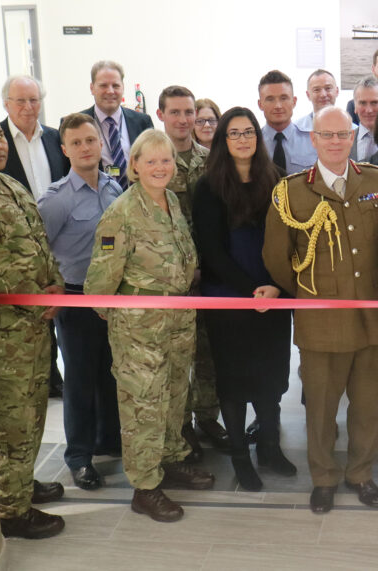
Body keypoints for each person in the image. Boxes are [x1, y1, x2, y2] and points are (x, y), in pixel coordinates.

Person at [263, 106, 378, 514]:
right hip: (321, 319)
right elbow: (277, 256)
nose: (335, 142)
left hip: (370, 316)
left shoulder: (375, 180)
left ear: (353, 137)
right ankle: (324, 477)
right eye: (326, 135)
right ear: (313, 139)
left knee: (369, 406)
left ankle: (360, 473)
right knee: (320, 407)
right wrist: (307, 292)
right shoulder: (292, 190)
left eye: (342, 134)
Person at [85, 129, 214, 523]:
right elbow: (99, 284)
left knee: (175, 393)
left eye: (167, 160)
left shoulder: (172, 201)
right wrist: (126, 316)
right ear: (135, 166)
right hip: (140, 326)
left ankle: (171, 460)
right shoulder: (120, 214)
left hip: (177, 319)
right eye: (152, 161)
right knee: (144, 404)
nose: (161, 168)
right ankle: (144, 487)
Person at [0, 106, 66, 539]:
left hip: (34, 326)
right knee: (10, 420)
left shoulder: (9, 185)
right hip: (2, 332)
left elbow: (39, 244)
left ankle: (19, 484)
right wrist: (42, 297)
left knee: (32, 411)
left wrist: (54, 285)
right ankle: (10, 512)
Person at [192, 107, 296, 492]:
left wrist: (275, 286)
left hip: (272, 296)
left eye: (248, 131)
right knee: (235, 383)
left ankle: (269, 447)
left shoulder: (277, 181)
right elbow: (212, 252)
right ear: (222, 140)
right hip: (229, 300)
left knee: (271, 379)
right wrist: (251, 290)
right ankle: (240, 457)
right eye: (233, 133)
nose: (242, 139)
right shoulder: (208, 186)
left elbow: (289, 242)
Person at [37, 113, 124, 491]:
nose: (86, 148)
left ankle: (109, 440)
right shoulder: (56, 200)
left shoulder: (114, 189)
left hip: (114, 299)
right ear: (64, 149)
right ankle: (79, 457)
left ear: (100, 143)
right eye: (77, 143)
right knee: (80, 380)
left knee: (110, 372)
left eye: (91, 140)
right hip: (76, 299)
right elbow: (40, 251)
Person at [156, 86, 229, 459]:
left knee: (207, 353)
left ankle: (208, 419)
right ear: (161, 115)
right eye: (176, 113)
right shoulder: (152, 163)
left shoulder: (211, 160)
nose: (184, 120)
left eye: (190, 113)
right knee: (174, 359)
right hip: (169, 281)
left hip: (210, 276)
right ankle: (180, 428)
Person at [0, 74, 68, 398]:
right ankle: (40, 375)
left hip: (56, 240)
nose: (28, 107)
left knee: (55, 305)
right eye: (20, 101)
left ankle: (55, 377)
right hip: (15, 244)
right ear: (6, 104)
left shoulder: (55, 139)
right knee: (31, 311)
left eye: (34, 100)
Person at [78, 60, 154, 189]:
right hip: (97, 202)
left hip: (138, 200)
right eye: (103, 86)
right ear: (92, 88)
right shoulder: (78, 125)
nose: (110, 91)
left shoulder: (142, 122)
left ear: (123, 87)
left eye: (116, 85)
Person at [259, 70, 316, 174]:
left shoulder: (313, 141)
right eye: (270, 99)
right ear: (260, 104)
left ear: (294, 102)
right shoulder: (253, 143)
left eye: (284, 98)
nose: (278, 106)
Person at [350, 75, 378, 162]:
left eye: (374, 103)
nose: (369, 110)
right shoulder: (343, 142)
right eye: (362, 103)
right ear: (355, 106)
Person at [295, 68, 345, 134]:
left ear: (337, 91)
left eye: (328, 88)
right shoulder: (296, 130)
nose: (323, 95)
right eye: (316, 90)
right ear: (308, 95)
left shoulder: (352, 130)